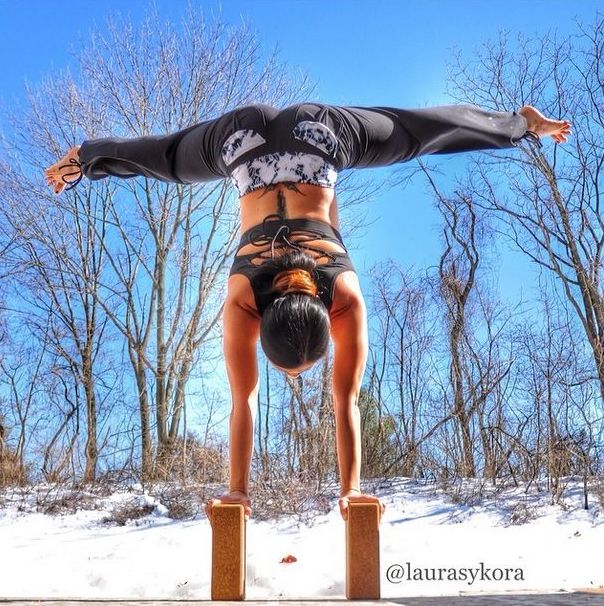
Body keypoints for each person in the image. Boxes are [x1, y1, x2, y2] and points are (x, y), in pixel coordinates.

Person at [44, 102, 571, 524]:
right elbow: (243, 403)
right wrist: (252, 492)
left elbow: (347, 403)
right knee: (170, 158)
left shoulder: (343, 296)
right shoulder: (244, 297)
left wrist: (343, 490)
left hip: (317, 136)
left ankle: (519, 124)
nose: (295, 378)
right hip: (241, 140)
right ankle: (84, 158)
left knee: (414, 134)